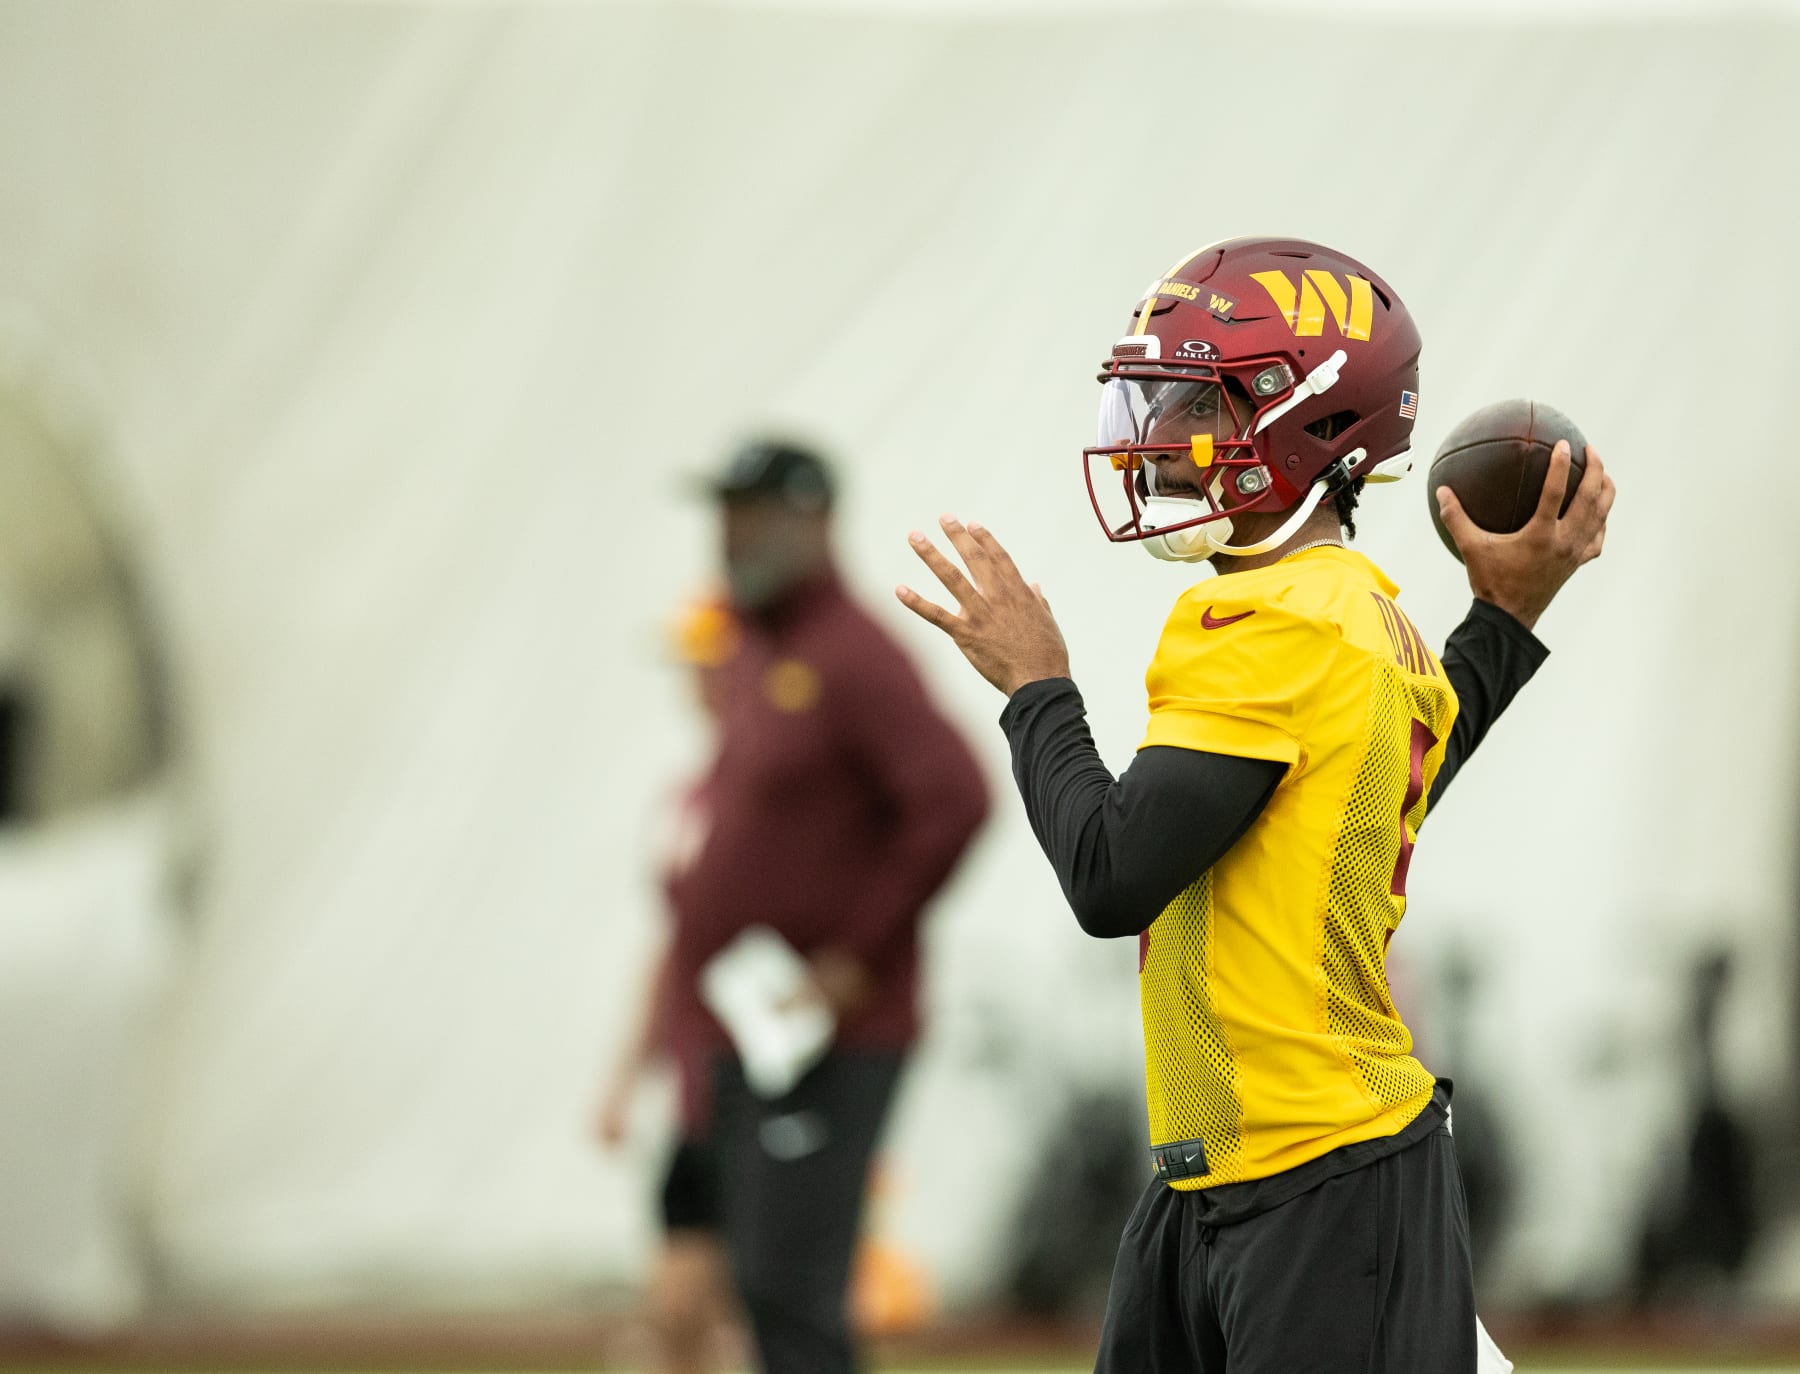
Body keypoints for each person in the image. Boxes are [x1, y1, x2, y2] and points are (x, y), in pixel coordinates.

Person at [897, 236, 1614, 1373]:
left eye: (1197, 401)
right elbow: (1408, 771)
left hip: (1316, 1180)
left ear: (1313, 422)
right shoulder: (1351, 607)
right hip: (1243, 1172)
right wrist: (1507, 618)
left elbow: (1112, 874)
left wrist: (1037, 688)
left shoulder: (1272, 622)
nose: (1161, 437)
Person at [668, 438, 989, 1374]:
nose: (730, 533)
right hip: (750, 1025)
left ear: (811, 519)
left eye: (752, 510)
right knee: (761, 1283)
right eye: (724, 511)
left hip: (830, 1035)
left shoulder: (851, 655)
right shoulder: (757, 646)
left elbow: (954, 797)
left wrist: (853, 952)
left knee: (793, 1285)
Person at [595, 598, 740, 1374]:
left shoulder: (776, 796)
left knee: (711, 1311)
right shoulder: (691, 801)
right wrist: (625, 1076)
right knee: (682, 1312)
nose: (699, 685)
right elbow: (672, 953)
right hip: (701, 1086)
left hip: (757, 1083)